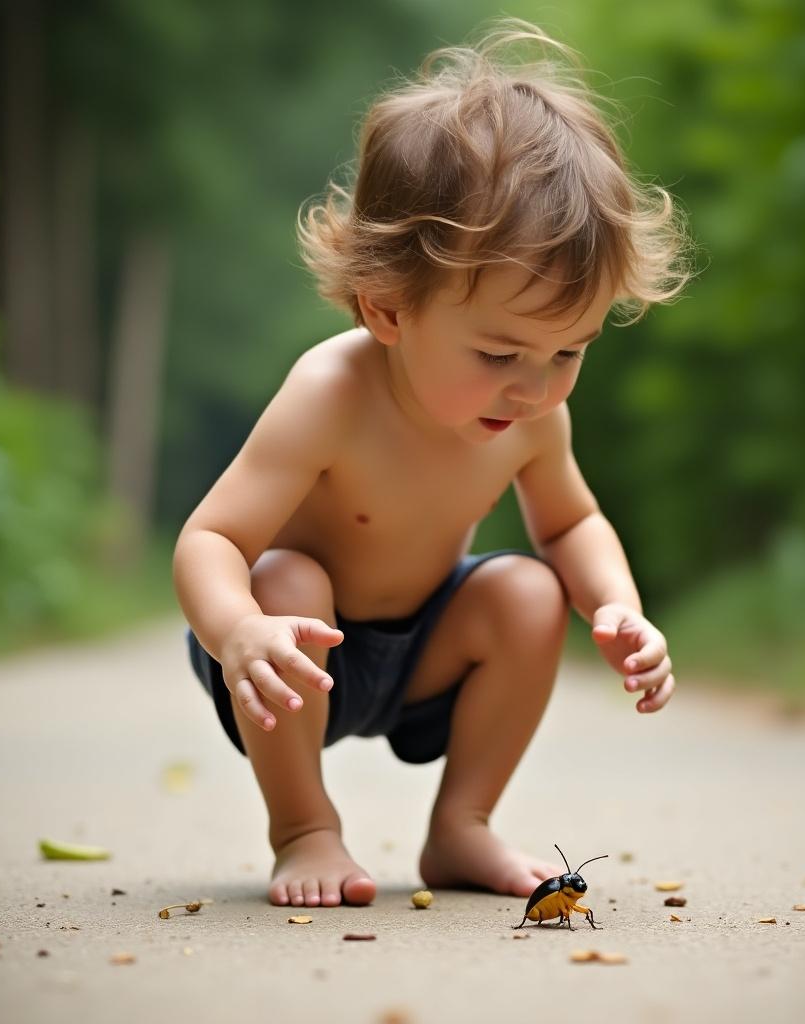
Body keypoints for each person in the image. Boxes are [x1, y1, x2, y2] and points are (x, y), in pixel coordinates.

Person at [173, 17, 689, 911]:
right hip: (291, 652)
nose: (533, 387)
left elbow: (570, 524)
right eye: (499, 354)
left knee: (528, 592)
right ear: (388, 309)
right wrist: (235, 631)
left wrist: (617, 606)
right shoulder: (330, 393)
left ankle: (464, 825)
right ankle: (302, 827)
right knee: (289, 580)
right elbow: (212, 537)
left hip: (425, 651)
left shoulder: (530, 417)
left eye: (569, 352)